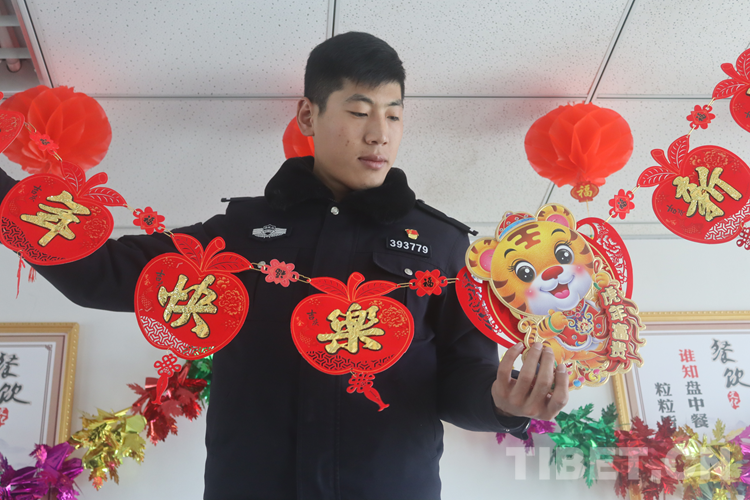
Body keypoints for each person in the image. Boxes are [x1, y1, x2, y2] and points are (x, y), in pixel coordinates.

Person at [0, 32, 568, 500]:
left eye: (394, 116)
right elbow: (102, 273)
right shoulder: (237, 235)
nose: (380, 134)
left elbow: (462, 378)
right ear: (307, 115)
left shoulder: (443, 247)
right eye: (359, 111)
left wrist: (503, 404)